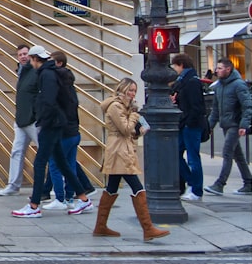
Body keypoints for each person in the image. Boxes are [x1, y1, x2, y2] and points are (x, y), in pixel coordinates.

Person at [11, 46, 92, 218]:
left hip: (51, 125)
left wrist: (43, 121)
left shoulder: (46, 75)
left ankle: (34, 205)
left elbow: (48, 101)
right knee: (61, 162)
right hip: (56, 124)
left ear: (34, 59)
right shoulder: (51, 72)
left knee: (40, 163)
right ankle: (84, 199)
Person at [92, 78, 170, 241]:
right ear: (122, 89)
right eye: (130, 90)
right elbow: (126, 128)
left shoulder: (123, 107)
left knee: (112, 187)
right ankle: (148, 229)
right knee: (137, 187)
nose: (133, 93)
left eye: (134, 90)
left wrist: (140, 131)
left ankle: (100, 226)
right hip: (119, 151)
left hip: (122, 149)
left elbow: (129, 132)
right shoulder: (115, 106)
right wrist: (134, 115)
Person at [41, 51, 89, 210]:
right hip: (74, 130)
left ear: (59, 64)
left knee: (55, 164)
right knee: (69, 164)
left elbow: (55, 107)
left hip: (64, 131)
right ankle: (69, 197)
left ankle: (60, 198)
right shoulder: (69, 83)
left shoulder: (58, 85)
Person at [205, 58, 252, 195]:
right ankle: (249, 182)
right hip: (226, 124)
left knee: (227, 152)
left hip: (235, 124)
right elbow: (215, 110)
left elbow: (247, 106)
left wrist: (244, 124)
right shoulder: (219, 86)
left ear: (228, 69)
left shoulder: (238, 85)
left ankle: (220, 184)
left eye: (220, 68)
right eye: (217, 68)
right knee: (238, 155)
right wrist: (209, 127)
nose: (216, 71)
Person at [0, 44, 37, 196]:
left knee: (48, 152)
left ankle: (58, 186)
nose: (23, 56)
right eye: (20, 54)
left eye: (25, 53)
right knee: (16, 151)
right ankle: (13, 185)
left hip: (32, 119)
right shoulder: (21, 72)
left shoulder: (35, 71)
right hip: (21, 119)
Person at [170, 54, 205, 201]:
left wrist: (189, 122)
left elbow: (196, 107)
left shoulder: (191, 81)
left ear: (181, 65)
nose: (174, 69)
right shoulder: (183, 81)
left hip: (191, 125)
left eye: (175, 66)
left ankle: (196, 190)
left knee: (192, 158)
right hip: (185, 124)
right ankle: (192, 182)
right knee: (176, 154)